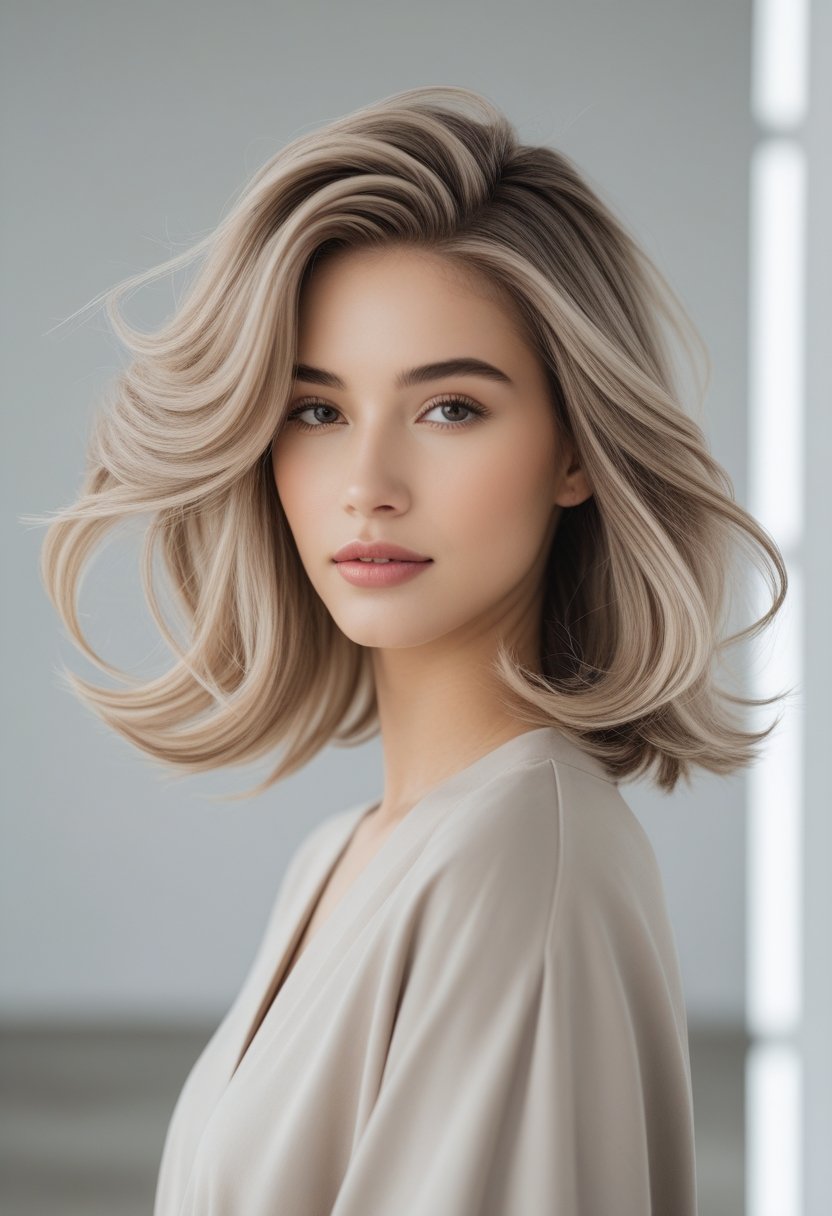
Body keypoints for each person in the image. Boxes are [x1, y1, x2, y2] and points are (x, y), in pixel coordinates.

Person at [35, 85, 787, 1214]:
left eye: (449, 410)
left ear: (574, 452)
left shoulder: (517, 861)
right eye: (317, 412)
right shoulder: (343, 855)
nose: (368, 489)